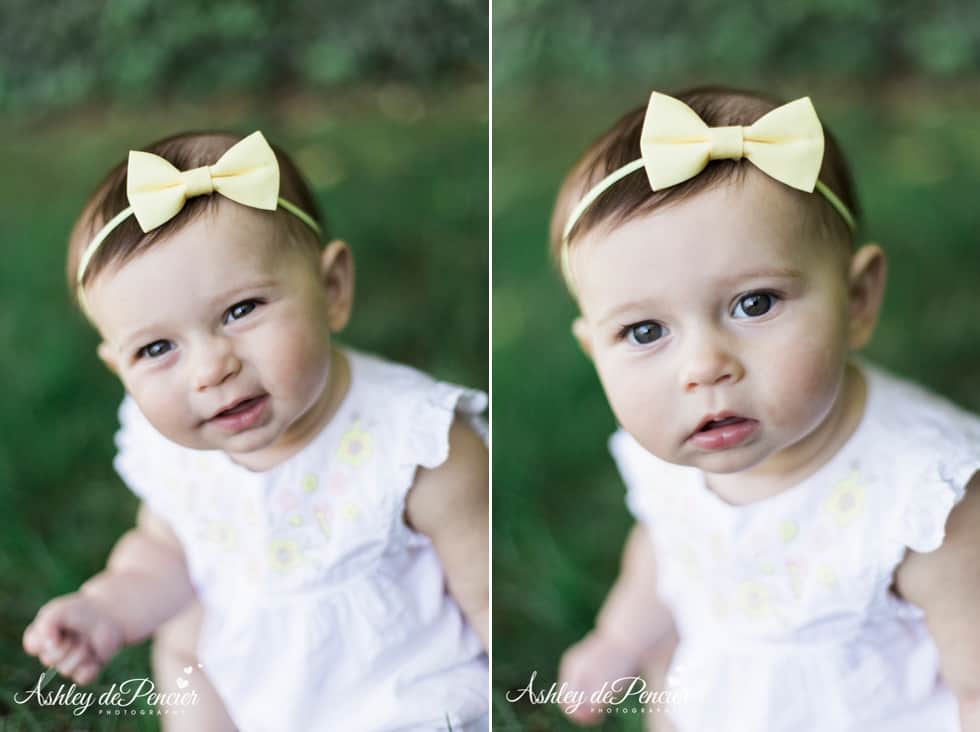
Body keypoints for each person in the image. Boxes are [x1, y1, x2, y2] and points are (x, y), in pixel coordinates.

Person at [21, 130, 489, 731]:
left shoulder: (417, 446)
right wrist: (104, 608)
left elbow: (485, 598)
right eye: (158, 348)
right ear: (118, 367)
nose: (211, 368)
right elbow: (165, 549)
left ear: (332, 290)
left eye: (241, 311)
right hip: (249, 689)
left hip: (399, 700)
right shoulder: (171, 449)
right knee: (183, 643)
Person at [551, 86, 980, 731]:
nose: (703, 368)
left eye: (755, 304)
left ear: (857, 299)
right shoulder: (673, 453)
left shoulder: (926, 499)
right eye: (645, 332)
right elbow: (667, 547)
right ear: (593, 350)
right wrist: (617, 639)